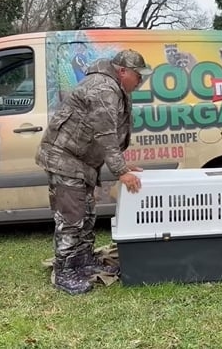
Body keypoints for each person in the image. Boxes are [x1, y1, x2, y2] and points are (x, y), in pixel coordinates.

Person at [35, 48, 153, 295]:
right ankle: (65, 271)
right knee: (71, 217)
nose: (140, 80)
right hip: (65, 159)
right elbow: (105, 133)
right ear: (123, 71)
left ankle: (83, 261)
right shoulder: (103, 88)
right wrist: (121, 171)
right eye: (138, 75)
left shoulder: (114, 87)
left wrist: (122, 164)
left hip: (81, 162)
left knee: (87, 214)